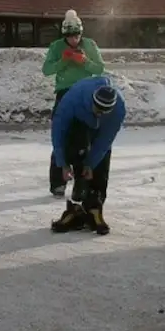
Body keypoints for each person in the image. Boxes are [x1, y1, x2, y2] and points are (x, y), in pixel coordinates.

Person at [49, 76, 125, 235]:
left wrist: (91, 164)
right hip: (78, 119)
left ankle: (94, 206)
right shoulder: (72, 100)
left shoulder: (118, 109)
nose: (100, 114)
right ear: (92, 102)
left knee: (101, 158)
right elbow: (58, 133)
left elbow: (105, 141)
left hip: (100, 127)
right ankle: (75, 207)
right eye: (98, 110)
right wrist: (62, 163)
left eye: (104, 112)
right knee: (77, 147)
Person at [41, 9, 105, 197]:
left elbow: (100, 68)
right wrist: (63, 61)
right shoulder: (56, 47)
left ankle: (82, 182)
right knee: (60, 135)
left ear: (81, 34)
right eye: (69, 37)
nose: (73, 41)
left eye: (76, 36)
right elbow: (47, 70)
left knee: (84, 139)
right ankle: (57, 182)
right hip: (64, 93)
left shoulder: (90, 45)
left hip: (85, 94)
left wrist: (84, 61)